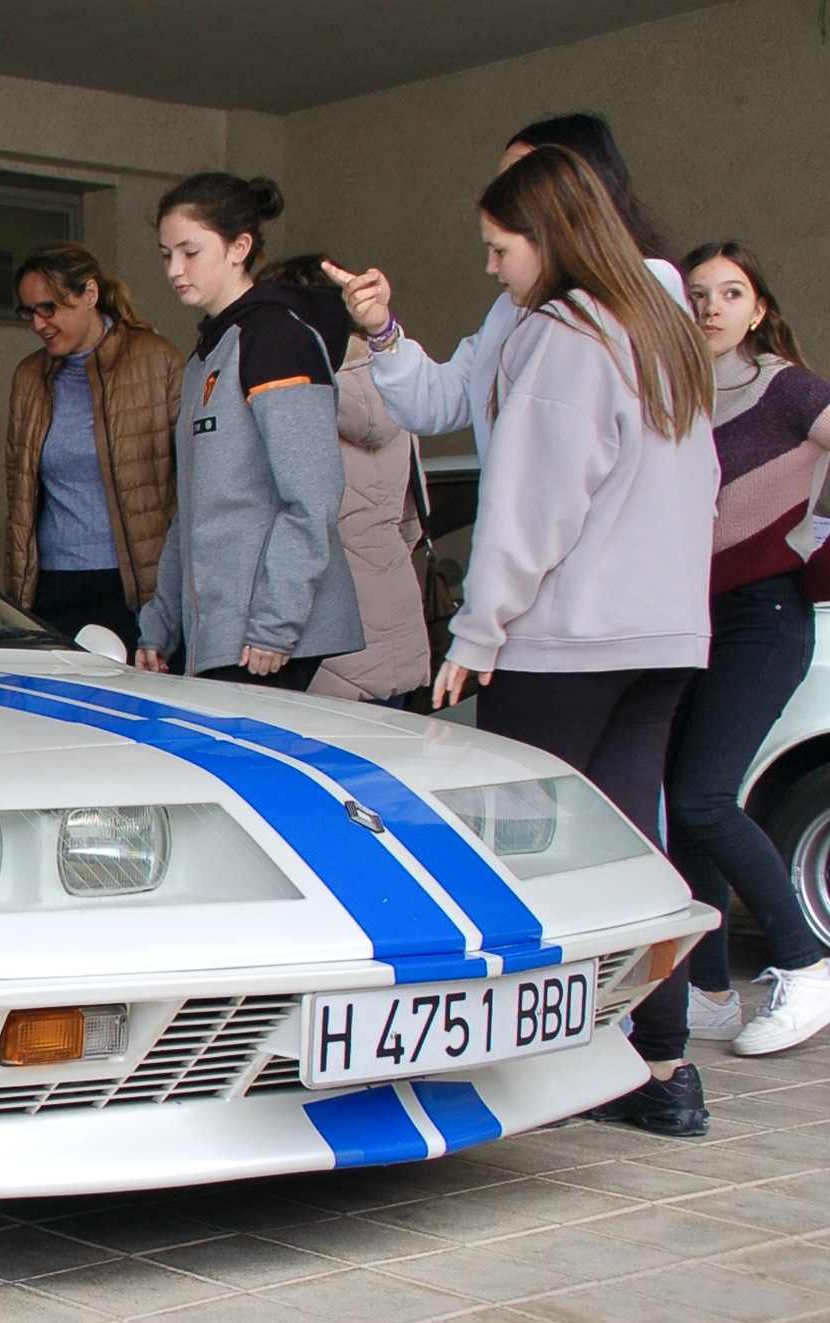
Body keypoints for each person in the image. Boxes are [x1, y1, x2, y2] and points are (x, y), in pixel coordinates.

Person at [430, 146, 718, 1134]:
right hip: (663, 637)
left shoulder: (563, 336)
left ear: (546, 239)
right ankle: (662, 1067)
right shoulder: (662, 331)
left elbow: (526, 510)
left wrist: (476, 629)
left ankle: (519, 1075)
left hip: (569, 640)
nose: (490, 269)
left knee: (521, 854)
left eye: (497, 248)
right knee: (637, 851)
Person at [669, 241, 830, 1055]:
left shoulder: (788, 386)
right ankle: (707, 992)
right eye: (698, 293)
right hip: (697, 616)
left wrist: (817, 547)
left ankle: (807, 965)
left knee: (701, 796)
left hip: (766, 616)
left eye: (731, 292)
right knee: (686, 801)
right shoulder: (680, 395)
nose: (712, 307)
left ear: (759, 307)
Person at [324, 112, 686, 459]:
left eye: (521, 177)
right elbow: (435, 403)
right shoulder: (511, 309)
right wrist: (381, 328)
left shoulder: (651, 284)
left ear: (577, 188)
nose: (504, 194)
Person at [136, 175, 361, 690]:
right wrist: (161, 626)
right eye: (165, 254)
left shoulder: (276, 337)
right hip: (218, 629)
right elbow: (193, 510)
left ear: (240, 248)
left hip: (266, 637)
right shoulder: (207, 353)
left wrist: (275, 625)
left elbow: (313, 496)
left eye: (190, 252)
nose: (174, 269)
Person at [261, 253, 430, 706]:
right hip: (399, 630)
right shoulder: (398, 386)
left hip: (323, 642)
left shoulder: (291, 396)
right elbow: (412, 522)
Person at [4, 242, 184, 653]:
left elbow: (189, 483)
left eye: (50, 308)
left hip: (137, 586)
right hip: (52, 584)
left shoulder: (158, 361)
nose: (38, 324)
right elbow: (19, 496)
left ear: (90, 294)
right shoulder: (29, 377)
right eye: (29, 312)